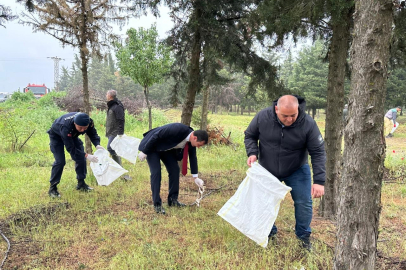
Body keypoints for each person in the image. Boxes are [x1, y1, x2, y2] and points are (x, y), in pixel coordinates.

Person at [244, 95, 326, 250]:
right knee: (264, 202)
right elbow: (250, 135)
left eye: (293, 115)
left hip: (297, 169)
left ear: (298, 109)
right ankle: (269, 233)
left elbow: (318, 152)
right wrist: (252, 152)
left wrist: (319, 181)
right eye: (285, 116)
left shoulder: (308, 123)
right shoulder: (263, 117)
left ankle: (303, 238)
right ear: (276, 109)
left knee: (304, 203)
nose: (289, 120)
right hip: (267, 168)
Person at [138, 123, 208, 214]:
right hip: (152, 147)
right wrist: (145, 151)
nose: (198, 147)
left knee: (175, 170)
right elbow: (156, 135)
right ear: (195, 138)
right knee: (156, 172)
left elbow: (193, 157)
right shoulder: (178, 129)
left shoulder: (191, 142)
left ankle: (173, 200)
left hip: (166, 149)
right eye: (199, 144)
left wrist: (196, 177)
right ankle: (157, 205)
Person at [47, 112, 104, 198]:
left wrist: (97, 144)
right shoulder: (65, 127)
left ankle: (81, 183)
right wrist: (86, 155)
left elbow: (93, 133)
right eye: (80, 128)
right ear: (75, 123)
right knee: (60, 161)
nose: (82, 130)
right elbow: (71, 148)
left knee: (80, 158)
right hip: (56, 137)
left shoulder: (89, 122)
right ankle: (53, 188)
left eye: (85, 128)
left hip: (72, 136)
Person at [105, 89, 131, 180]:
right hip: (110, 131)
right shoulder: (111, 105)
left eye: (106, 94)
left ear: (110, 96)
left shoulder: (117, 106)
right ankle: (117, 170)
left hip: (115, 132)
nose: (106, 95)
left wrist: (120, 133)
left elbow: (121, 120)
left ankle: (120, 169)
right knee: (114, 149)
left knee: (110, 148)